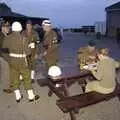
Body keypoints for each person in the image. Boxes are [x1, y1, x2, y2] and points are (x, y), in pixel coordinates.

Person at [2, 21, 39, 102]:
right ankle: (31, 96)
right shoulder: (23, 38)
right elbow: (28, 53)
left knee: (14, 78)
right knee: (27, 78)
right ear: (20, 29)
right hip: (22, 62)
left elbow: (4, 51)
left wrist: (10, 58)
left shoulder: (7, 38)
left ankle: (18, 96)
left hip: (12, 61)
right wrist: (29, 47)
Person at [0, 22, 12, 94]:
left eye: (8, 27)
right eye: (7, 27)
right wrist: (8, 59)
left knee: (7, 71)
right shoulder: (1, 36)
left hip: (6, 56)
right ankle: (6, 87)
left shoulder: (6, 35)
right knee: (5, 72)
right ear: (2, 28)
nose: (8, 28)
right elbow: (2, 50)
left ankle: (8, 84)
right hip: (3, 57)